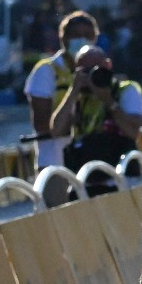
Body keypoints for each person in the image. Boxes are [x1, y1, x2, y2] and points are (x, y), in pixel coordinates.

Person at [52, 45, 142, 186]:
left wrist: (109, 101)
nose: (92, 76)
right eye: (86, 71)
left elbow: (132, 132)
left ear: (108, 65)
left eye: (96, 70)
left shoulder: (124, 90)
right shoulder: (78, 98)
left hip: (121, 178)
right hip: (86, 181)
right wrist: (73, 91)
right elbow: (56, 130)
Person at [25, 11, 97, 171]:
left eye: (87, 35)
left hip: (91, 164)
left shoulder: (98, 70)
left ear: (95, 39)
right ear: (63, 38)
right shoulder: (46, 70)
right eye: (76, 35)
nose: (82, 40)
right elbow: (42, 125)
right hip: (55, 163)